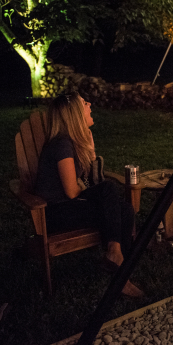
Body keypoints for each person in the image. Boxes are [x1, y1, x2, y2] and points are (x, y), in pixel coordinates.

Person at [34, 92, 143, 297]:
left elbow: (87, 182)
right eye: (85, 103)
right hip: (54, 214)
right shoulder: (62, 145)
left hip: (70, 207)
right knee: (109, 190)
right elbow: (72, 191)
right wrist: (97, 193)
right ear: (75, 114)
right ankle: (115, 255)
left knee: (125, 209)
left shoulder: (71, 143)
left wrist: (91, 153)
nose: (90, 104)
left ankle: (122, 275)